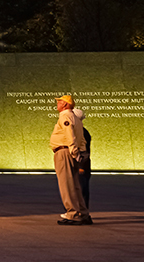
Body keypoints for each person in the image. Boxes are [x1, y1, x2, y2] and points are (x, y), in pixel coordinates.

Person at [51, 95, 92, 225]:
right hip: (72, 153)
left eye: (59, 102)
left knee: (67, 185)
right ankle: (82, 212)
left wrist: (74, 151)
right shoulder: (76, 119)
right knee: (75, 185)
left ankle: (73, 214)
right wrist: (80, 152)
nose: (57, 105)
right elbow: (82, 139)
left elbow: (70, 136)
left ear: (65, 105)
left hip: (64, 152)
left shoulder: (65, 117)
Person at [72, 107, 92, 208]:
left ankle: (82, 211)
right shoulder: (81, 131)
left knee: (81, 189)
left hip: (81, 166)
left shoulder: (82, 133)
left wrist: (81, 167)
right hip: (79, 165)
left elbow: (84, 152)